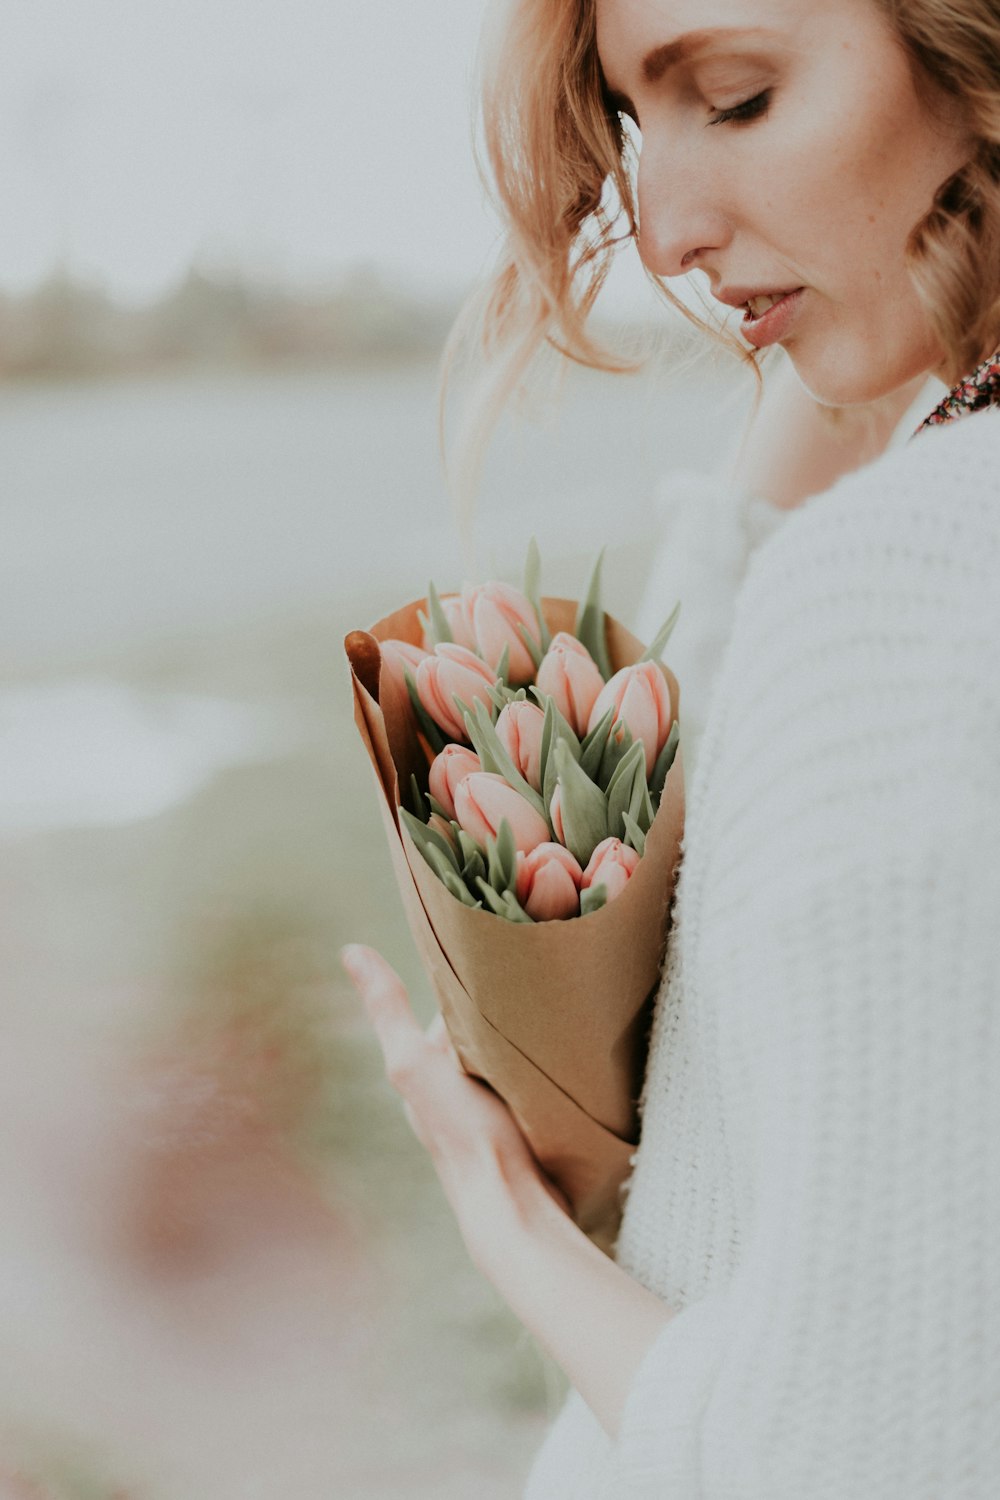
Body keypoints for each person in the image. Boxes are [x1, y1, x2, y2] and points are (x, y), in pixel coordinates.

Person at [342, 0, 1000, 1493]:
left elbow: (850, 1459)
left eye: (741, 97)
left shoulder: (904, 591)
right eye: (637, 126)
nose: (664, 233)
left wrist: (496, 1198)